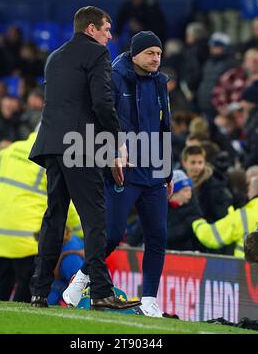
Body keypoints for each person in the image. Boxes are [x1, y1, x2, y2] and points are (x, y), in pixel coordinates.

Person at [28, 6, 140, 310]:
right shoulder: (97, 55)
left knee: (54, 217)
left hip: (50, 143)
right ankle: (102, 291)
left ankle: (38, 291)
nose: (110, 36)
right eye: (106, 29)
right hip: (80, 146)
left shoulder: (55, 57)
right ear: (91, 30)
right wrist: (116, 145)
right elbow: (103, 103)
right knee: (94, 219)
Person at [63, 31, 174, 318]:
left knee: (158, 236)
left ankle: (149, 299)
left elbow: (165, 130)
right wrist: (110, 154)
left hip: (154, 171)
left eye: (159, 54)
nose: (156, 59)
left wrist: (168, 171)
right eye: (151, 53)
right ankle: (82, 278)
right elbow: (100, 119)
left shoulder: (161, 83)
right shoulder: (114, 78)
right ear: (135, 54)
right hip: (122, 168)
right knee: (111, 235)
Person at [0, 132, 46, 302]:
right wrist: (80, 230)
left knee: (3, 278)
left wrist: (1, 208)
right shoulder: (48, 158)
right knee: (26, 282)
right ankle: (19, 321)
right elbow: (64, 202)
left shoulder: (8, 151)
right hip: (26, 235)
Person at [192, 173, 258, 257]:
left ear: (257, 191)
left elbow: (212, 236)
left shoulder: (243, 216)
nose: (248, 194)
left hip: (247, 268)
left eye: (249, 189)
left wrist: (197, 222)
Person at [181, 145, 233, 222]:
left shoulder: (215, 186)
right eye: (193, 162)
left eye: (200, 162)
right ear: (184, 163)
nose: (197, 166)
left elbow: (220, 217)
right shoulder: (177, 182)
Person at [166, 170, 204, 252]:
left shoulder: (194, 212)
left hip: (186, 256)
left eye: (190, 190)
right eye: (185, 190)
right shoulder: (159, 208)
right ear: (173, 192)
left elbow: (177, 233)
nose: (190, 193)